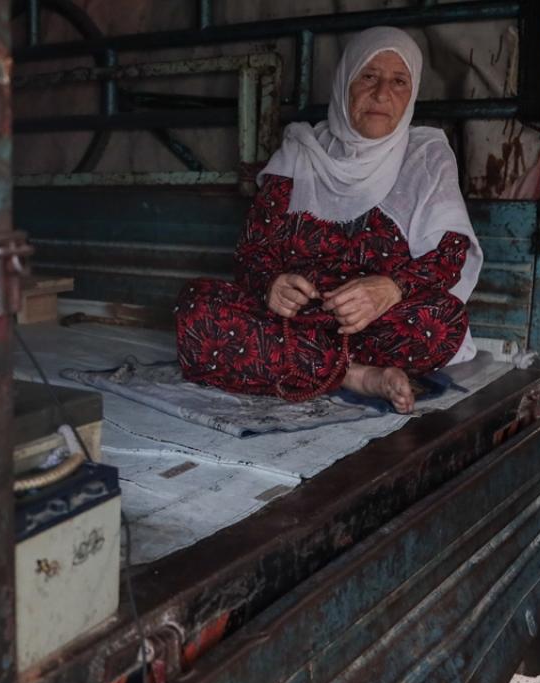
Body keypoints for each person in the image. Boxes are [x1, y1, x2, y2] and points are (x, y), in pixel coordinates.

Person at [175, 26, 482, 413]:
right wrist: (271, 284)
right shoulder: (300, 151)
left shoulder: (427, 157)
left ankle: (300, 364)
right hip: (293, 322)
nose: (381, 93)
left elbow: (449, 258)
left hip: (375, 325)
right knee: (196, 306)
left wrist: (391, 288)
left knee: (443, 319)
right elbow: (253, 253)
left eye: (399, 81)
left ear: (413, 92)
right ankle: (355, 376)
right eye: (368, 76)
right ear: (344, 82)